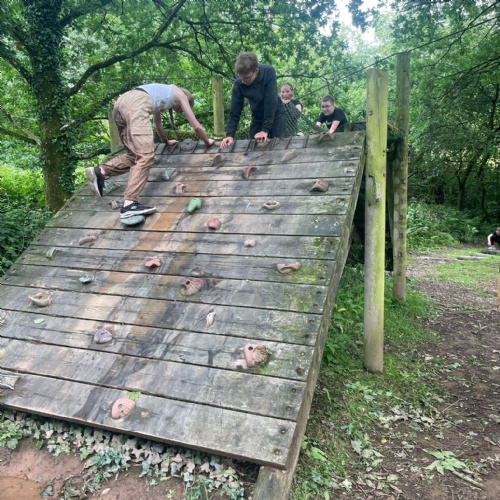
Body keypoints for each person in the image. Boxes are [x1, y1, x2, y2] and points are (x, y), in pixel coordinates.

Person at [85, 84, 215, 218]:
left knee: (135, 156)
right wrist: (207, 141)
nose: (180, 111)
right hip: (136, 105)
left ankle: (101, 171)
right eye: (181, 108)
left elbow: (157, 125)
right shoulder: (181, 95)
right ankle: (129, 205)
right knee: (146, 157)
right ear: (187, 98)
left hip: (120, 105)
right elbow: (196, 126)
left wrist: (166, 141)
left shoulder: (160, 94)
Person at [219, 53, 286, 149]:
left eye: (246, 78)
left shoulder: (268, 72)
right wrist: (230, 135)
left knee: (278, 145)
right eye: (240, 77)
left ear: (256, 71)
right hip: (257, 116)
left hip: (276, 114)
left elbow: (271, 102)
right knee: (253, 147)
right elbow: (235, 111)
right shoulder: (239, 82)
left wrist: (264, 130)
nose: (242, 81)